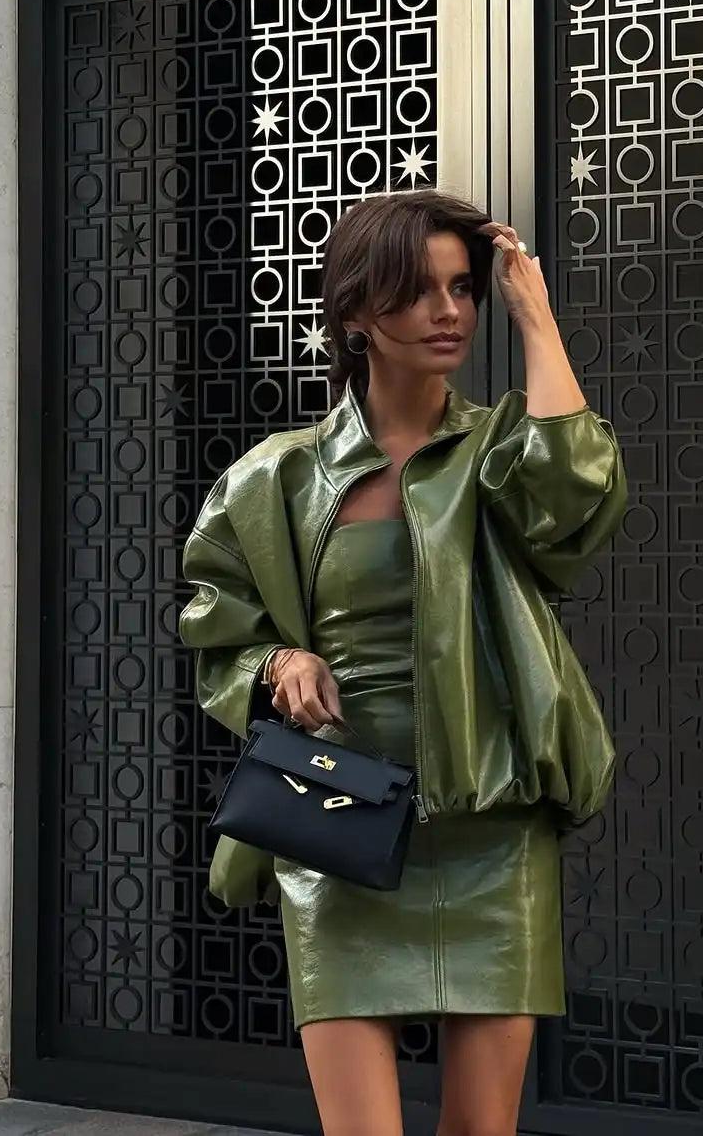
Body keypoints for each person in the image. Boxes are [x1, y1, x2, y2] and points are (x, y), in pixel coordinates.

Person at [179, 189, 627, 1136]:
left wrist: (535, 316)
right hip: (334, 823)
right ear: (354, 312)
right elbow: (218, 625)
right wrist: (275, 660)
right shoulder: (275, 478)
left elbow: (576, 499)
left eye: (462, 288)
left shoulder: (504, 448)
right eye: (418, 291)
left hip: (491, 829)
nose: (449, 310)